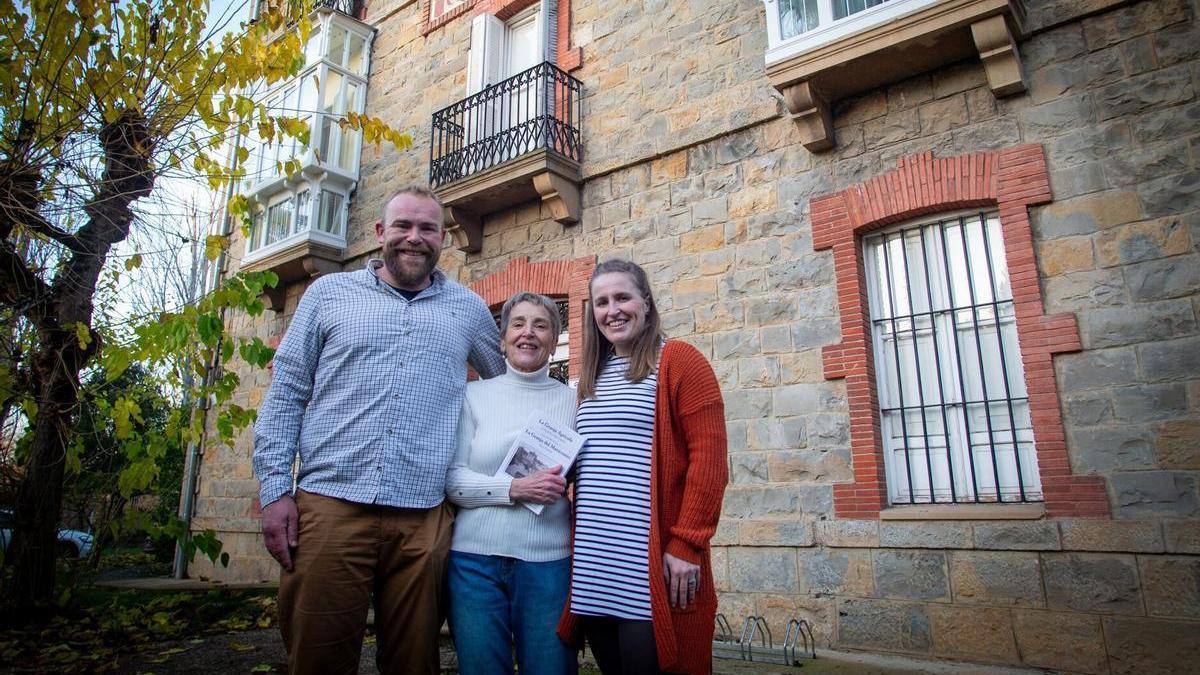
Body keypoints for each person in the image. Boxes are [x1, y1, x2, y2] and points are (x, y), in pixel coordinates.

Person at [252, 184, 505, 675]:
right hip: (329, 506)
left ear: (442, 238)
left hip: (424, 515)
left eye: (427, 228)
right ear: (379, 233)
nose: (415, 238)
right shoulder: (328, 295)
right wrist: (275, 489)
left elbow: (508, 388)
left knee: (414, 662)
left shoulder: (468, 309)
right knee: (317, 656)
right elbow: (286, 394)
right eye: (403, 226)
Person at [557, 259, 728, 674]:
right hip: (595, 565)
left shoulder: (679, 361)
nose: (612, 310)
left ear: (646, 303)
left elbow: (710, 461)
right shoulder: (590, 379)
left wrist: (687, 543)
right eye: (601, 302)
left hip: (647, 566)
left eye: (622, 297)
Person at [445, 292, 578, 675]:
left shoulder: (575, 404)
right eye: (518, 324)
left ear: (554, 342)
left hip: (548, 564)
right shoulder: (473, 396)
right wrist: (514, 490)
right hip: (474, 564)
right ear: (501, 340)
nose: (528, 333)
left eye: (541, 325)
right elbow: (453, 479)